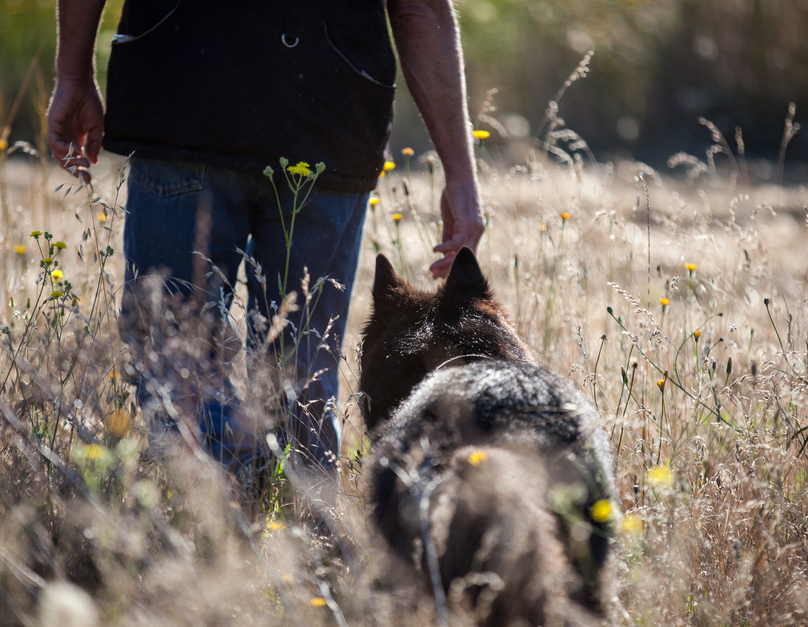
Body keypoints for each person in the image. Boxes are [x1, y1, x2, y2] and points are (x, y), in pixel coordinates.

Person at [47, 0, 484, 506]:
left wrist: (72, 75)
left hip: (183, 93)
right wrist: (460, 175)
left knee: (177, 366)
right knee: (301, 379)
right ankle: (303, 547)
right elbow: (419, 8)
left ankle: (210, 534)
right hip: (330, 111)